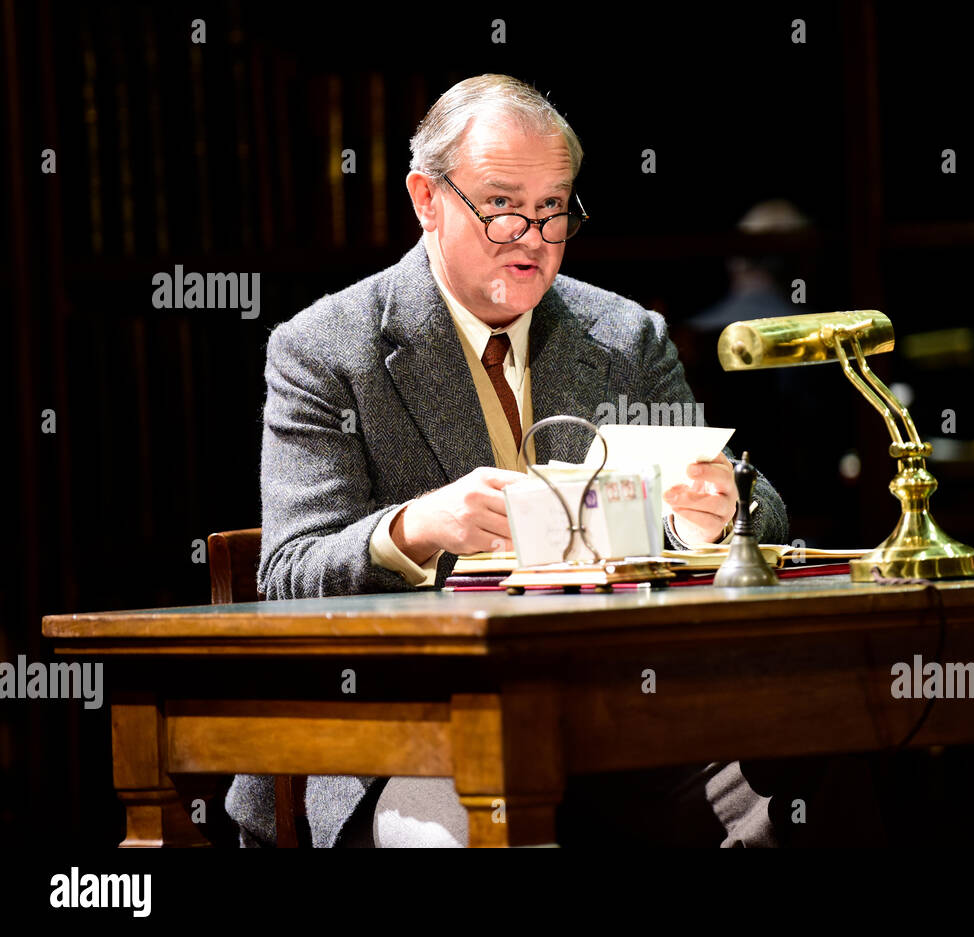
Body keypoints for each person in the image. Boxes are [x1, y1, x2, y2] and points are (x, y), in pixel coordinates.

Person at [224, 73, 828, 848]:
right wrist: (413, 528)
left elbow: (756, 503)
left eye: (553, 211)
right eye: (503, 207)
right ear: (426, 198)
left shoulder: (623, 335)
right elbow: (291, 573)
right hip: (415, 736)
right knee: (491, 821)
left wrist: (711, 518)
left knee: (813, 760)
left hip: (619, 719)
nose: (534, 239)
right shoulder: (326, 351)